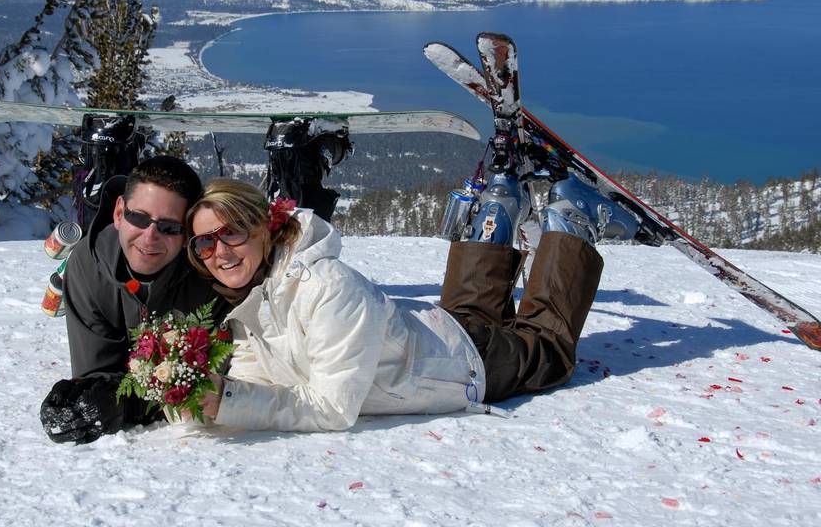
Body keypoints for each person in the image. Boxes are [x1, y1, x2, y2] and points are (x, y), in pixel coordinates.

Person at [184, 172, 637, 431]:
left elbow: (333, 407)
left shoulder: (324, 284)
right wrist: (213, 398)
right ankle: (496, 210)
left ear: (265, 227)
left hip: (461, 367)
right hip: (435, 333)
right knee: (473, 316)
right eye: (205, 243)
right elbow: (254, 377)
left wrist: (229, 401)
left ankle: (572, 221)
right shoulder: (250, 303)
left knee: (546, 347)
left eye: (232, 233)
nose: (220, 252)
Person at [39, 155, 228, 444]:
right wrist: (86, 399)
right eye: (138, 218)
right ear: (118, 212)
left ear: (186, 232)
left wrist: (124, 404)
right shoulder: (89, 267)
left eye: (168, 227)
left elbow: (211, 385)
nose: (149, 236)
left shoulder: (211, 278)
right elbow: (97, 370)